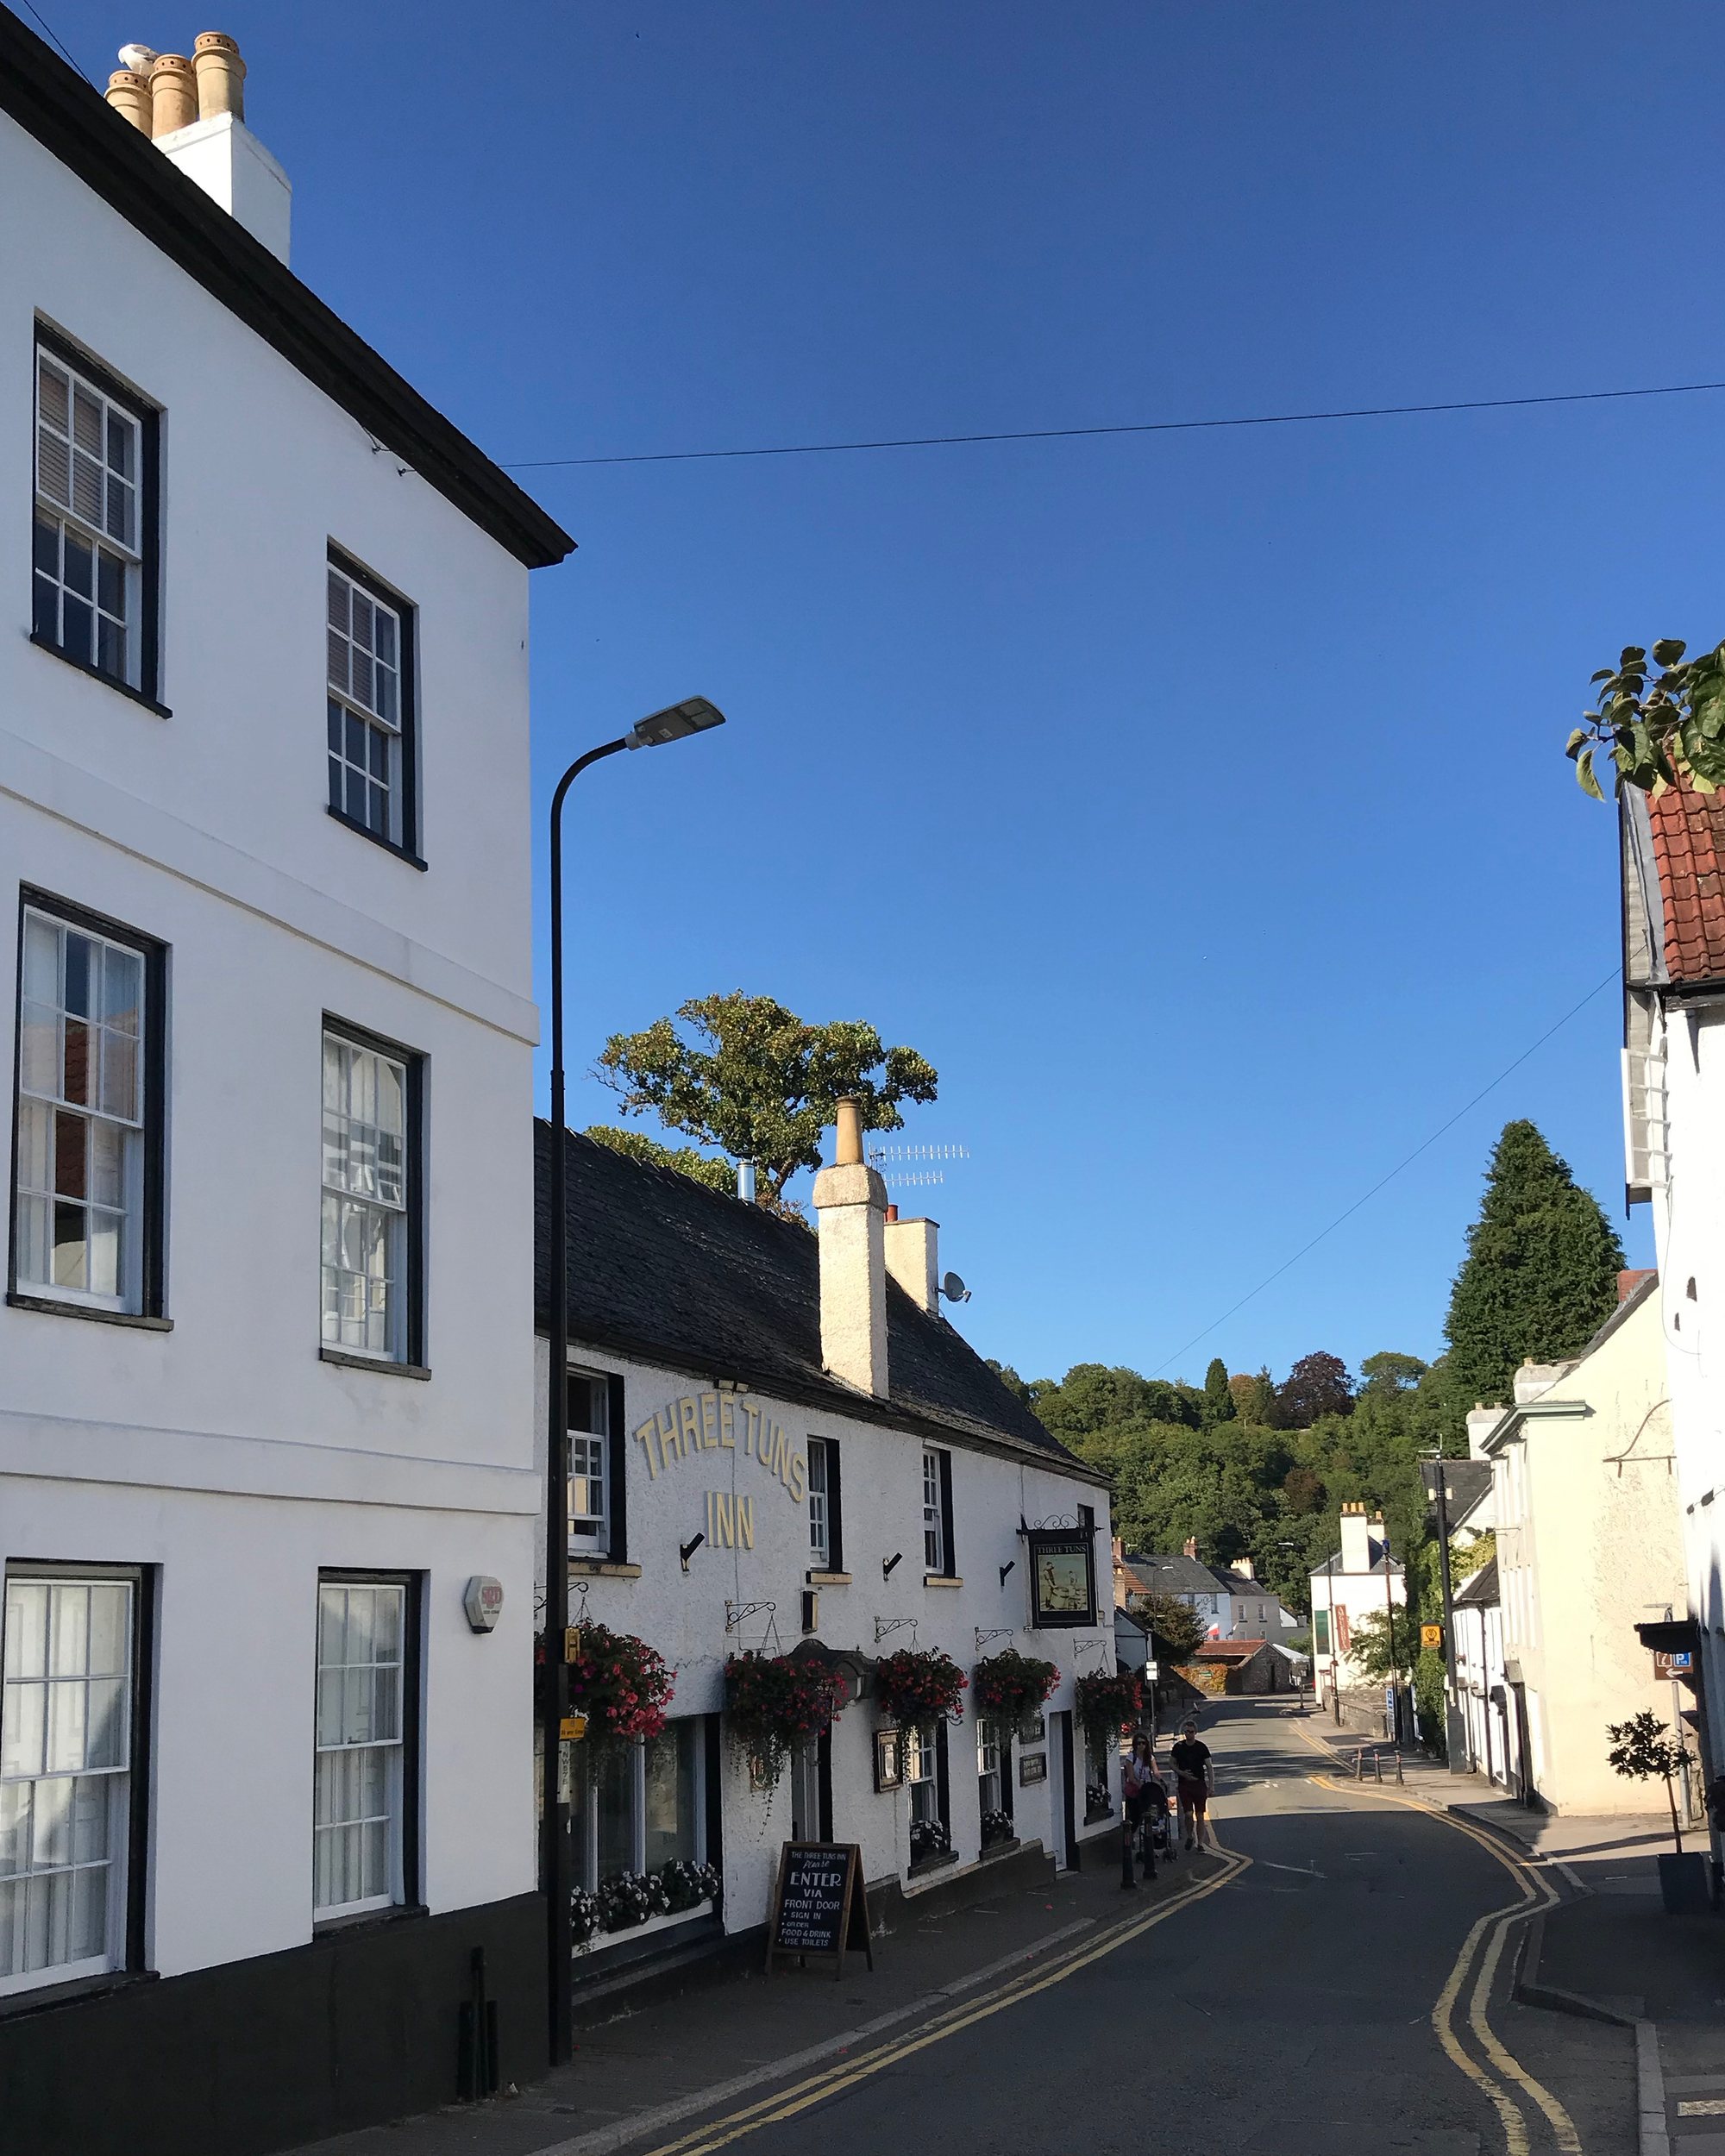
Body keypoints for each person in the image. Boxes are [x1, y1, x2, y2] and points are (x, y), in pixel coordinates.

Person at [1169, 1717, 1214, 1850]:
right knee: (1188, 1814)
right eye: (1186, 1731)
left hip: (1199, 1784)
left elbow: (1209, 1767)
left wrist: (1211, 1786)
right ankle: (1190, 1836)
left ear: (1195, 1732)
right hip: (1185, 1785)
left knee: (1200, 1815)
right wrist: (1181, 1773)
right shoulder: (1179, 1747)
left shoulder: (1201, 1747)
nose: (1188, 1734)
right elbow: (1171, 1763)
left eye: (1191, 1731)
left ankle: (1200, 1843)